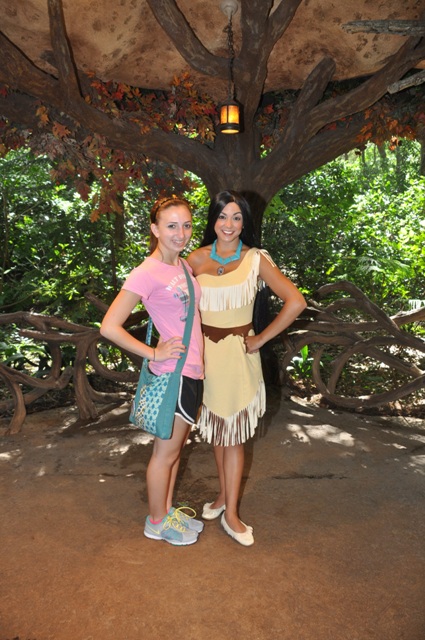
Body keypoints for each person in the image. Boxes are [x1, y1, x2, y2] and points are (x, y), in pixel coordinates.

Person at [187, 190, 306, 546]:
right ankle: (223, 496)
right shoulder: (195, 259)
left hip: (239, 358)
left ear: (245, 223)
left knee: (235, 436)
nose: (229, 224)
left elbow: (296, 301)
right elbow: (175, 303)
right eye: (223, 216)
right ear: (213, 219)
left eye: (237, 217)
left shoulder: (256, 259)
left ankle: (232, 514)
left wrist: (262, 338)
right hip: (206, 358)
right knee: (217, 432)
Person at [100, 195, 205, 546]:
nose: (181, 233)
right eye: (171, 226)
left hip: (191, 371)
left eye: (186, 225)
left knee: (175, 452)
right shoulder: (145, 272)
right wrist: (153, 352)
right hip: (173, 373)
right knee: (165, 453)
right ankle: (156, 521)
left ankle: (167, 510)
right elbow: (109, 326)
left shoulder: (183, 266)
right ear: (155, 229)